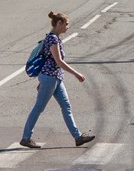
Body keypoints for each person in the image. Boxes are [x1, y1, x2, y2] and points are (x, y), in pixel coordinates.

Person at [20, 11, 95, 149]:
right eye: (66, 24)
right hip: (50, 78)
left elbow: (50, 62)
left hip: (54, 78)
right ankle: (26, 138)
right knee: (38, 108)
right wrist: (77, 74)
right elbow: (58, 61)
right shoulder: (52, 39)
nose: (68, 27)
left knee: (66, 107)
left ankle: (77, 137)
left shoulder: (53, 38)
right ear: (59, 23)